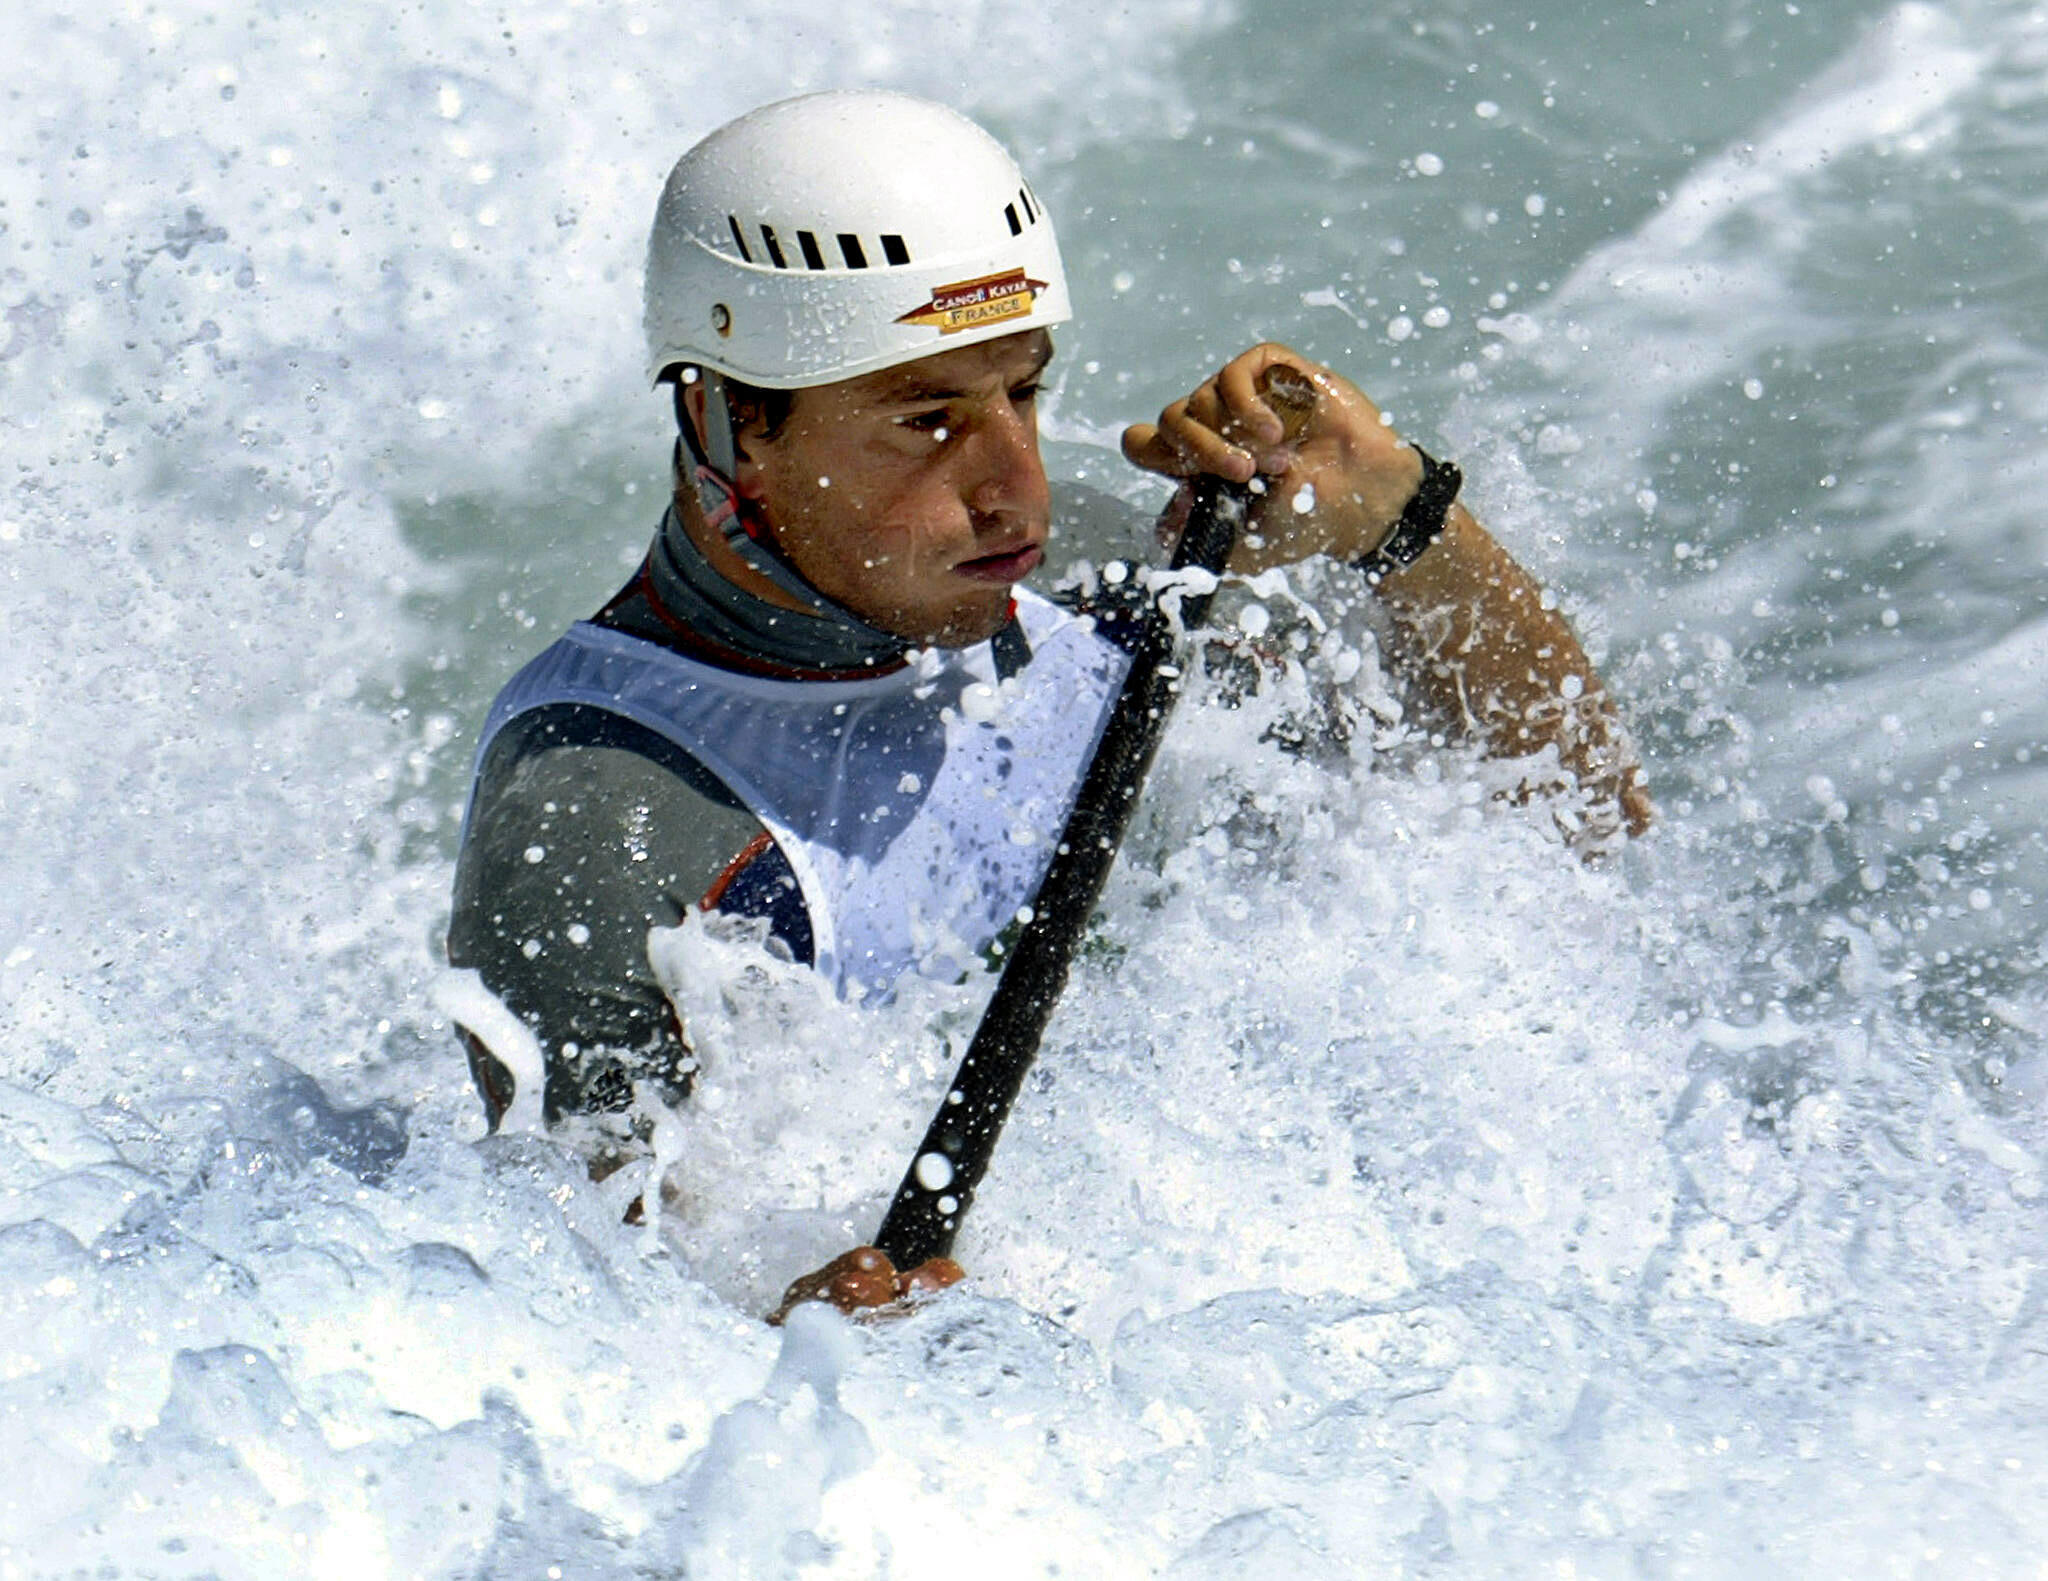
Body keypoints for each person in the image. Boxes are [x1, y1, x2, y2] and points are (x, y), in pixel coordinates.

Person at [446, 90, 1651, 1322]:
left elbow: (1576, 826)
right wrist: (779, 1335)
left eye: (1021, 394)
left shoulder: (1099, 589)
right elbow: (596, 1341)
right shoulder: (600, 825)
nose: (1015, 492)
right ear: (726, 420)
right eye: (926, 423)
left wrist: (1399, 521)